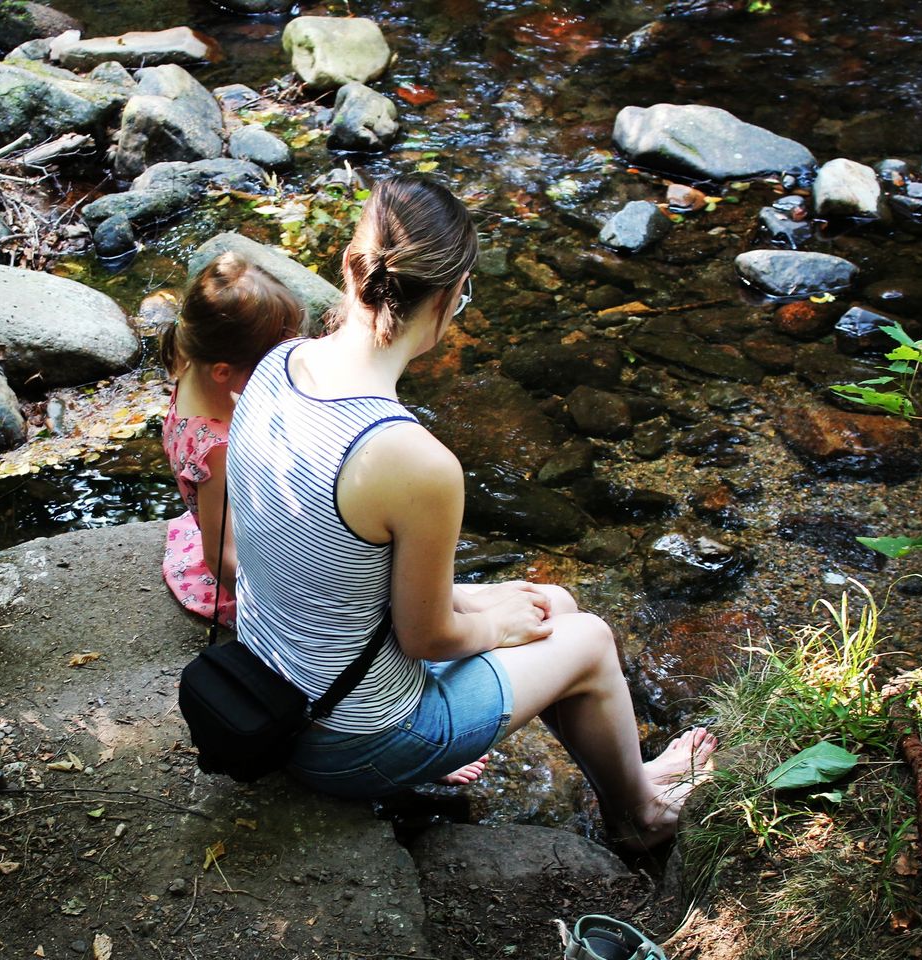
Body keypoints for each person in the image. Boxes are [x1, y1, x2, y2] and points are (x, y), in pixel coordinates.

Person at [226, 175, 717, 847]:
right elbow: (427, 639)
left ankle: (629, 775)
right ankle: (642, 816)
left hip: (269, 691)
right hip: (346, 740)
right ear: (452, 297)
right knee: (591, 640)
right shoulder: (411, 459)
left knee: (556, 607)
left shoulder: (278, 363)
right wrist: (492, 627)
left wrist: (502, 612)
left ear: (349, 264)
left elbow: (326, 560)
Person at [158, 252, 302, 630]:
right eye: (268, 365)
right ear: (224, 371)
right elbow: (220, 554)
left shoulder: (190, 368)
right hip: (232, 573)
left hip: (216, 518)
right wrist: (269, 603)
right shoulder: (216, 450)